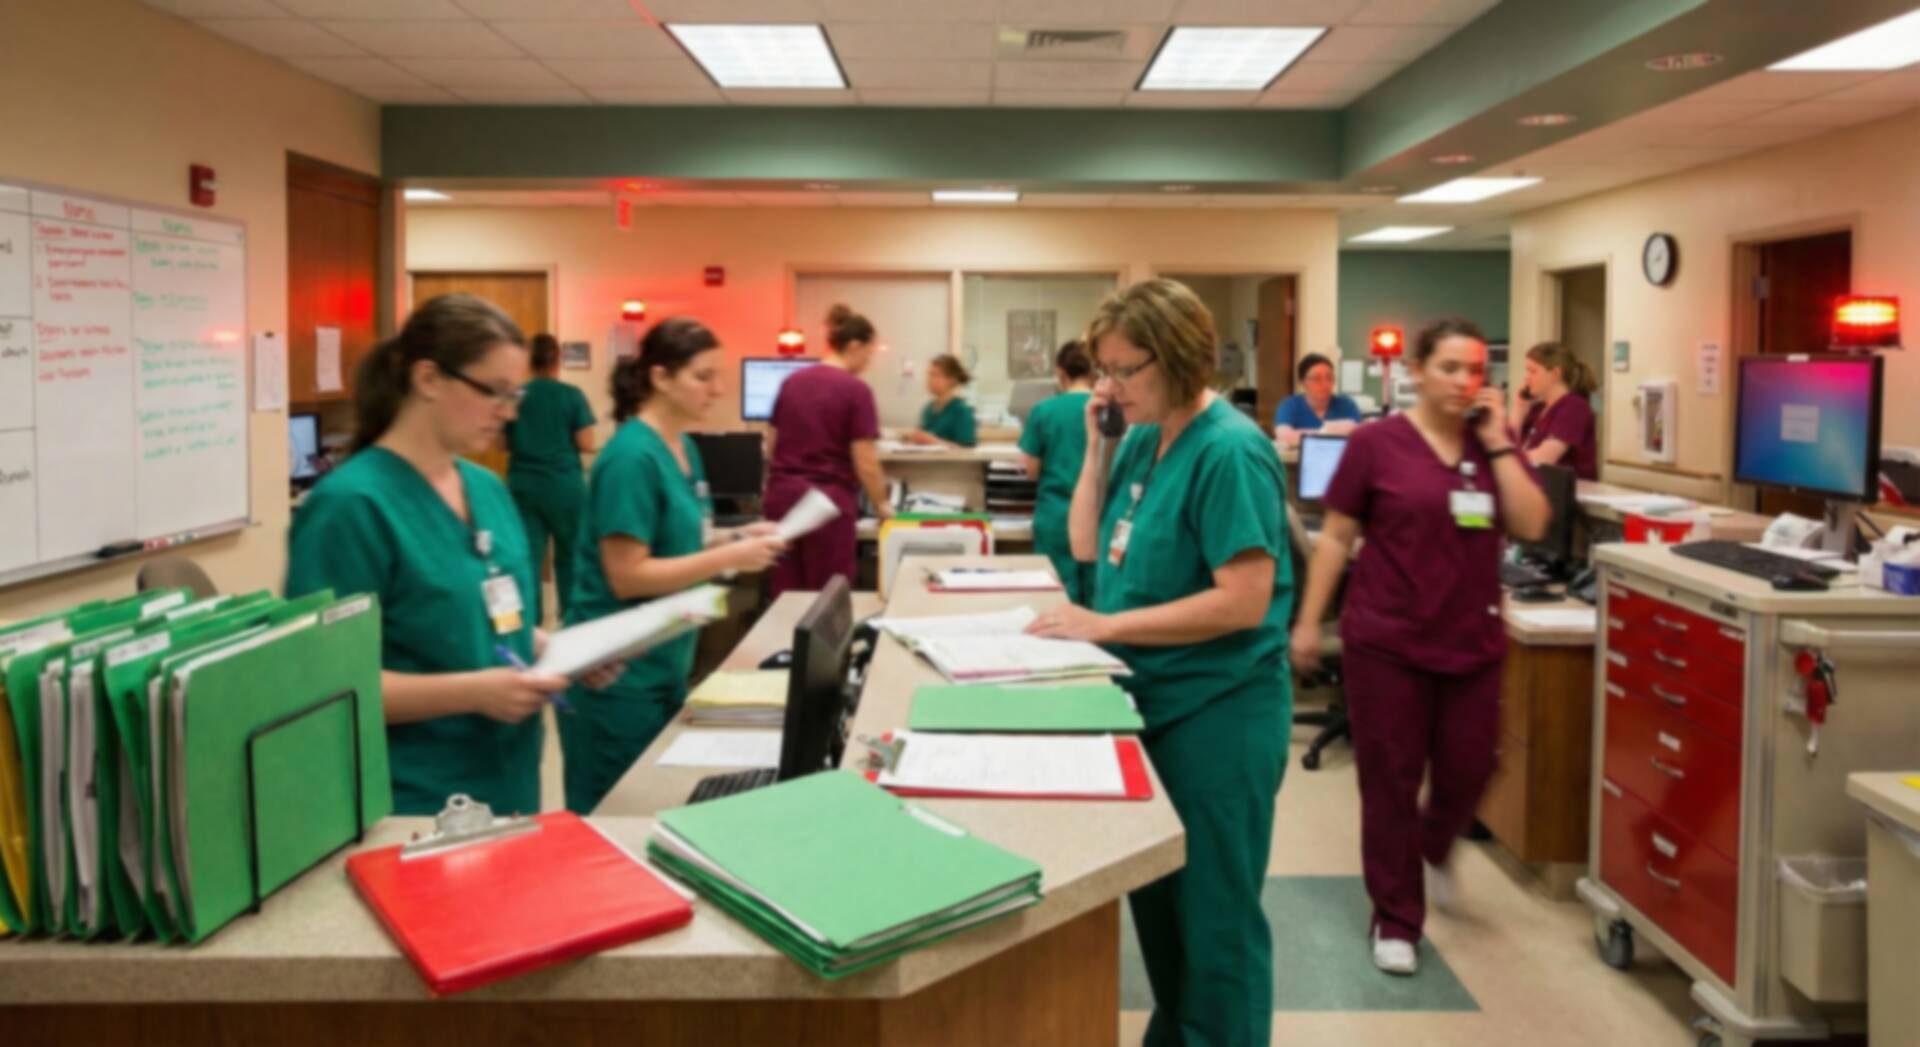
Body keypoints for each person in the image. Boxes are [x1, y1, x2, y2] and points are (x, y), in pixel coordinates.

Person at [1025, 278, 1293, 1046]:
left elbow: (1243, 599)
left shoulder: (1231, 451)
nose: (1107, 384)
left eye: (1122, 369)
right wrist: (1101, 441)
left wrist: (1107, 623)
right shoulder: (1145, 434)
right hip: (1151, 703)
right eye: (1100, 369)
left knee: (1216, 926)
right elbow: (1085, 544)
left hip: (1218, 714)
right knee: (1164, 918)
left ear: (1176, 358)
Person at [284, 294, 621, 816]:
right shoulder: (350, 508)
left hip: (507, 786)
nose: (508, 414)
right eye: (495, 393)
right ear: (428, 380)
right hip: (412, 804)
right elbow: (324, 687)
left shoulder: (486, 489)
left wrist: (559, 651)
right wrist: (472, 693)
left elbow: (493, 619)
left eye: (516, 397)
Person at [1289, 317, 1549, 977]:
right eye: (1450, 368)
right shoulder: (1377, 444)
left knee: (1472, 767)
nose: (1465, 381)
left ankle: (1435, 849)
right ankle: (1397, 916)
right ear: (1415, 372)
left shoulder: (1492, 443)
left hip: (1472, 640)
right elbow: (1338, 539)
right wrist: (1309, 622)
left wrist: (1496, 443)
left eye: (1474, 370)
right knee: (1390, 783)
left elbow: (1532, 523)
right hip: (1387, 643)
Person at [561, 319, 786, 814]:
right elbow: (628, 574)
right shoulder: (629, 458)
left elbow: (677, 535)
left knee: (653, 807)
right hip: (617, 673)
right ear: (661, 378)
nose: (719, 388)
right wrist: (730, 557)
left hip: (665, 661)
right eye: (703, 376)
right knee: (612, 819)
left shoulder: (682, 449)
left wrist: (734, 535)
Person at [763, 304, 893, 596]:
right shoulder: (855, 390)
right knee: (825, 598)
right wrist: (882, 505)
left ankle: (782, 643)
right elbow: (866, 462)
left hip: (782, 498)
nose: (869, 363)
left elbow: (771, 446)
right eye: (869, 354)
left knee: (786, 595)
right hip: (826, 505)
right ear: (854, 346)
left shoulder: (792, 381)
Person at [504, 332, 596, 623]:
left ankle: (529, 627)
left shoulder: (516, 398)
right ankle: (571, 622)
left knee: (528, 560)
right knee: (570, 557)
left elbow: (503, 444)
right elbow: (586, 444)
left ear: (529, 362)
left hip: (524, 487)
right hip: (565, 487)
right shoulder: (571, 396)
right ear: (557, 360)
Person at [1018, 340, 1096, 604]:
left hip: (1055, 517)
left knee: (1053, 599)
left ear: (1060, 372)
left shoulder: (1044, 411)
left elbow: (1031, 470)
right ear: (1093, 372)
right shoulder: (1110, 410)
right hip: (1100, 516)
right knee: (1095, 600)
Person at [1517, 341, 1599, 480]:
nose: (1526, 377)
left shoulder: (1574, 407)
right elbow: (1510, 442)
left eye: (1533, 371)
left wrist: (1504, 459)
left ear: (1555, 373)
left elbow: (1544, 457)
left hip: (1569, 494)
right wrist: (1519, 408)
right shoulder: (1537, 409)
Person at [1273, 352, 1363, 446]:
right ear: (1302, 382)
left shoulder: (1347, 405)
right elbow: (1284, 437)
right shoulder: (1290, 405)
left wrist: (1301, 435)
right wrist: (1326, 431)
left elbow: (1358, 437)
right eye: (1316, 378)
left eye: (1329, 378)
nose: (1325, 384)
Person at [905, 353, 978, 447]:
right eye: (929, 374)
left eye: (934, 375)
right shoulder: (928, 409)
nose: (929, 379)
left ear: (951, 380)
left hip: (952, 462)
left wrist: (934, 442)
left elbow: (967, 450)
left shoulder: (961, 411)